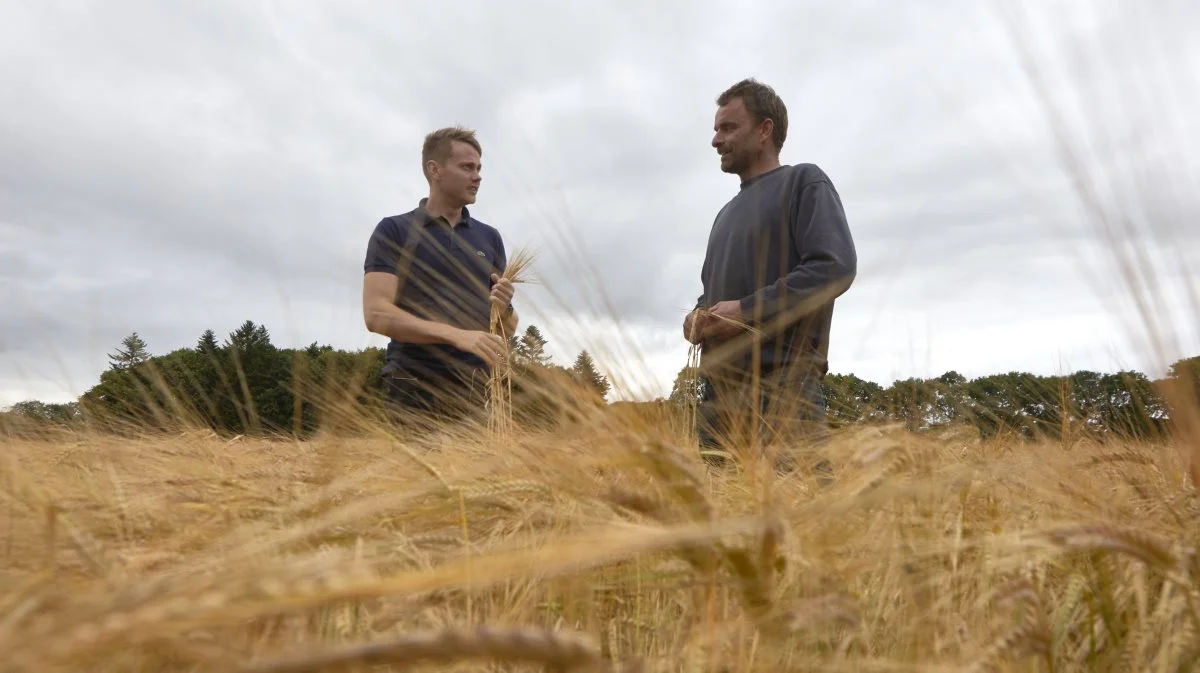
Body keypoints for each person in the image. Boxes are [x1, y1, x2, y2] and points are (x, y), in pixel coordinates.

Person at [684, 79, 857, 476]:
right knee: (726, 529)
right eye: (715, 129)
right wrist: (696, 318)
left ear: (765, 130)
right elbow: (712, 294)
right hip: (719, 402)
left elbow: (834, 267)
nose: (715, 140)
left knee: (801, 525)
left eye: (728, 128)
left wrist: (746, 311)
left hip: (782, 390)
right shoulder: (725, 214)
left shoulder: (803, 183)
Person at [362, 126, 519, 428]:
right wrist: (457, 336)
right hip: (413, 387)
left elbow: (507, 328)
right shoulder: (394, 231)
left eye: (479, 168)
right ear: (435, 170)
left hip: (476, 392)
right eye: (466, 167)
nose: (477, 176)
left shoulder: (489, 238)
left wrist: (505, 308)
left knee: (478, 478)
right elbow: (376, 314)